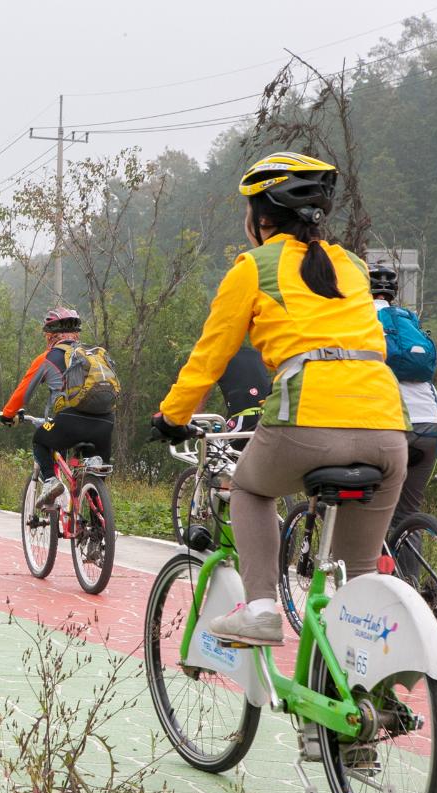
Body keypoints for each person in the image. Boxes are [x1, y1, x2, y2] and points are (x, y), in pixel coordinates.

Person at [152, 151, 409, 647]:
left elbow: (210, 357)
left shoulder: (252, 266)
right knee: (358, 572)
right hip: (387, 429)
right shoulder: (352, 265)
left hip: (306, 423)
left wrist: (173, 416)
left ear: (261, 217)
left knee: (248, 489)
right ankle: (364, 686)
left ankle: (263, 608)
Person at [0, 307, 117, 513]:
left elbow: (22, 394)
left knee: (40, 439)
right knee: (93, 474)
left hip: (70, 421)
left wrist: (8, 415)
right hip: (105, 422)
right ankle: (99, 527)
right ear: (76, 333)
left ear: (52, 335)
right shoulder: (93, 354)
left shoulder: (48, 357)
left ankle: (51, 481)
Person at [370, 263, 437, 530]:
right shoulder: (408, 320)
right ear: (394, 292)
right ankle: (410, 573)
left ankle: (368, 569)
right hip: (429, 426)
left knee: (368, 509)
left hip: (391, 425)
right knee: (407, 515)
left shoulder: (358, 319)